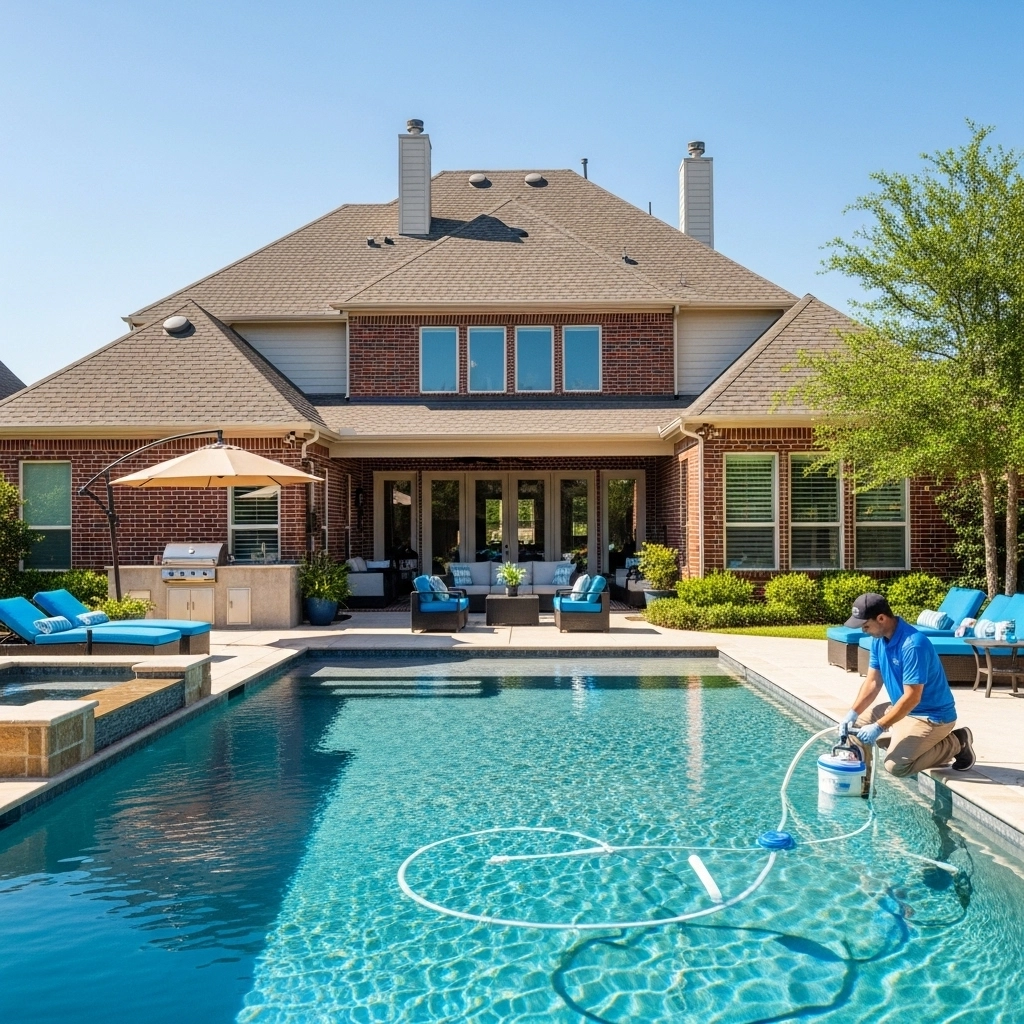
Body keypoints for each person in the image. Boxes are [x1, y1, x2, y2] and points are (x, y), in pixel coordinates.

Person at [840, 592, 976, 779]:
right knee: (853, 730)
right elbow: (873, 681)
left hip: (930, 716)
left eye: (866, 626)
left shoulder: (912, 645)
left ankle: (957, 742)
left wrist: (879, 726)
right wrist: (852, 713)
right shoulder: (878, 640)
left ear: (881, 618)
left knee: (896, 766)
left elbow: (913, 697)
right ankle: (863, 784)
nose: (864, 631)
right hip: (903, 708)